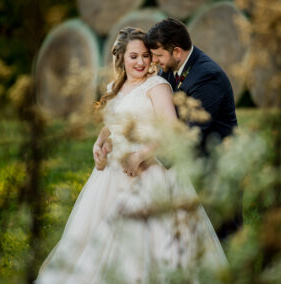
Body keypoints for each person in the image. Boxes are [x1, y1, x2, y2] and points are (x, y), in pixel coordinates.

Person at [35, 27, 227, 283]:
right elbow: (114, 123)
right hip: (112, 175)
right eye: (133, 56)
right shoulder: (114, 86)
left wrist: (142, 156)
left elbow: (171, 129)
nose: (141, 62)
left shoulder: (157, 86)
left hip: (149, 172)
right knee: (98, 236)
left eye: (146, 56)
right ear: (121, 57)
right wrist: (100, 140)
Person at [144, 18, 242, 241]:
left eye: (158, 55)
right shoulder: (170, 69)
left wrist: (151, 159)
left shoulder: (208, 77)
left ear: (176, 51)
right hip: (193, 167)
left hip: (217, 168)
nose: (154, 61)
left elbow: (192, 135)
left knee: (223, 234)